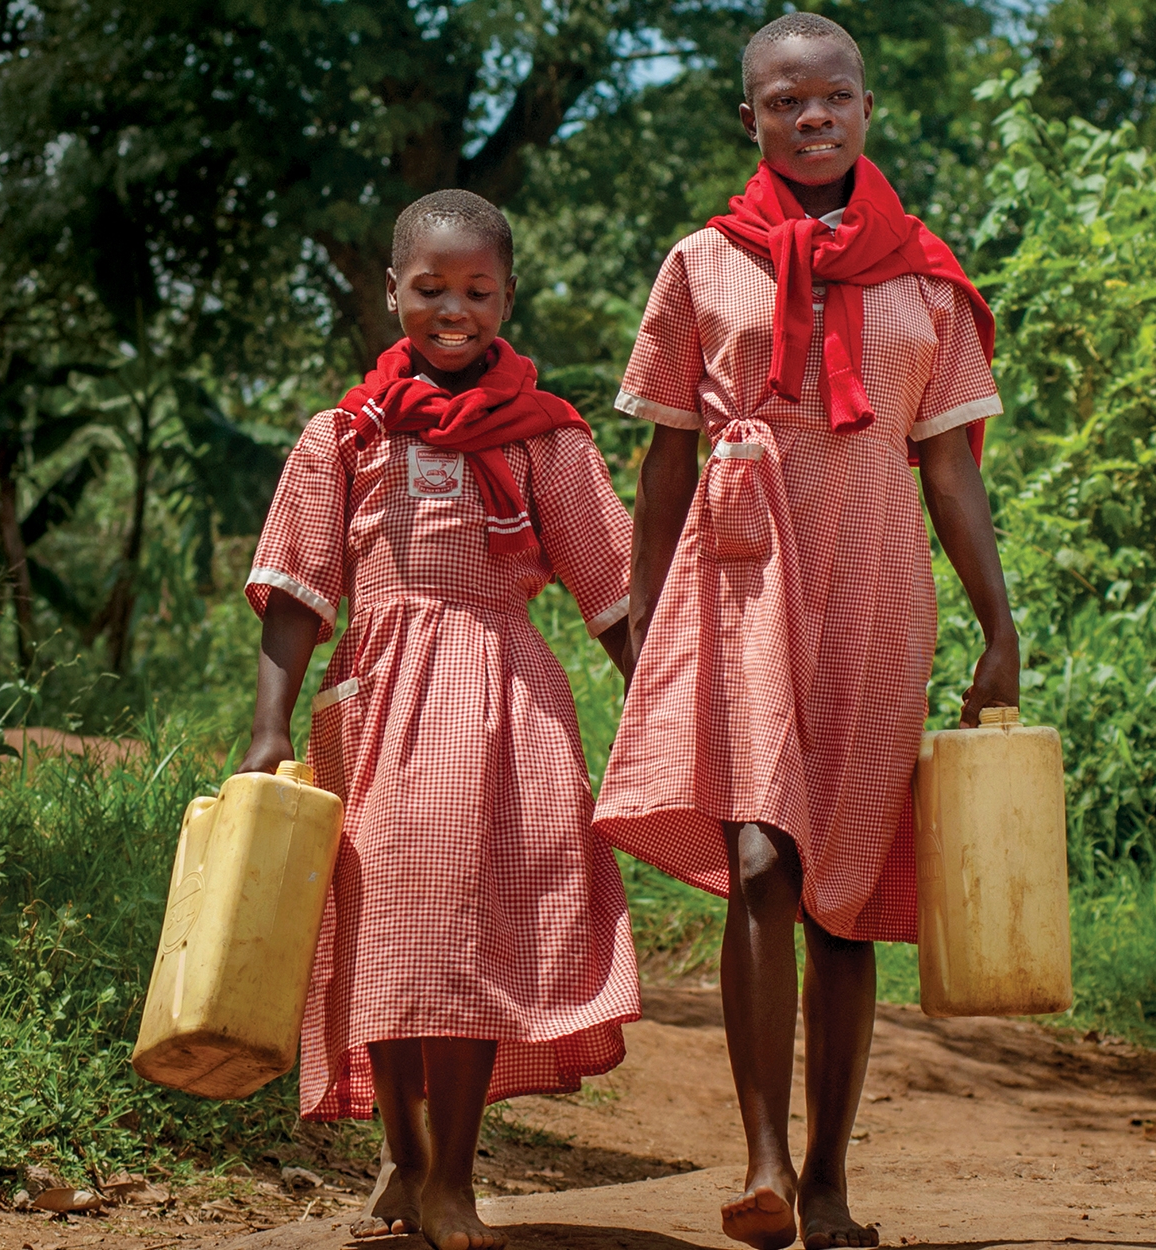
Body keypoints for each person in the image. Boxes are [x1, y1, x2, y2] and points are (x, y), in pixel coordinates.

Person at [592, 14, 1021, 1250]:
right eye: (785, 102)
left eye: (832, 97)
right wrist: (644, 628)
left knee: (844, 893)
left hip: (880, 581)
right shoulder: (697, 264)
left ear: (866, 108)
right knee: (761, 863)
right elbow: (664, 459)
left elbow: (949, 470)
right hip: (738, 580)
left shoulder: (926, 277)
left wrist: (998, 620)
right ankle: (765, 1161)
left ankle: (831, 1177)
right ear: (751, 120)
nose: (811, 117)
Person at [236, 188, 641, 1250]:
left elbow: (612, 586)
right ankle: (405, 1158)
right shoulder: (344, 435)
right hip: (375, 699)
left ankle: (452, 1177)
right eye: (429, 289)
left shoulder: (544, 437)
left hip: (504, 693)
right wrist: (269, 725)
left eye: (475, 290)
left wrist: (658, 706)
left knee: (473, 934)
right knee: (396, 937)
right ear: (390, 292)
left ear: (506, 296)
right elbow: (295, 589)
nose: (451, 309)